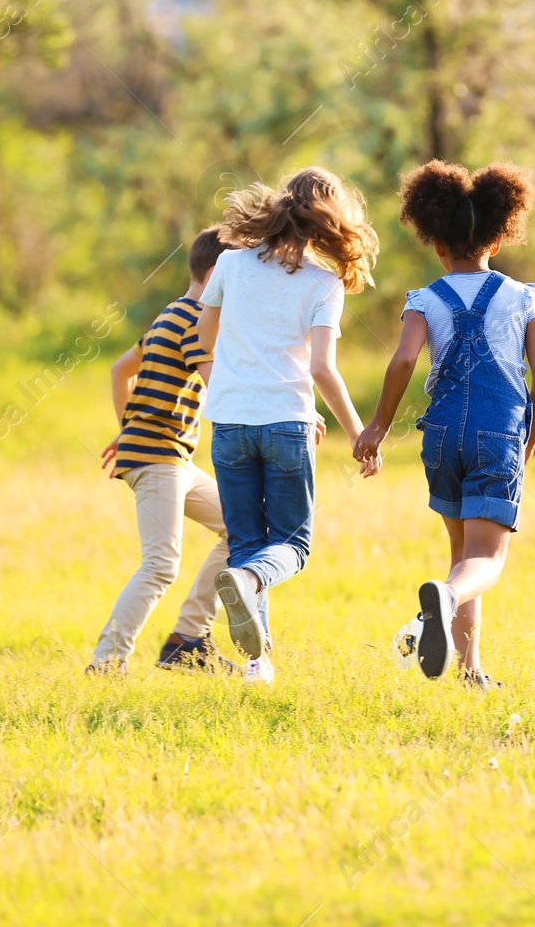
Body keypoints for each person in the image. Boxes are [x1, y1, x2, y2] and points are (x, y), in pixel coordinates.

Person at [354, 160, 535, 691]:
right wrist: (529, 440)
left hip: (441, 437)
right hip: (497, 433)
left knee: (461, 555)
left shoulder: (425, 300)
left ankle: (471, 671)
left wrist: (376, 426)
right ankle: (443, 600)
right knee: (486, 559)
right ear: (498, 236)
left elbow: (401, 362)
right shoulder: (522, 298)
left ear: (437, 243)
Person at [197, 166, 382, 684]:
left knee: (247, 541)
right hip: (286, 426)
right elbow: (322, 368)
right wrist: (358, 433)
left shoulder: (230, 265)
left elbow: (202, 342)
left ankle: (258, 662)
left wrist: (234, 378)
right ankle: (250, 586)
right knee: (292, 547)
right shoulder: (324, 284)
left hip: (230, 423)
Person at [89, 227, 237, 676]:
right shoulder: (198, 321)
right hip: (160, 458)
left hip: (171, 458)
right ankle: (106, 663)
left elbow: (121, 371)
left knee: (243, 526)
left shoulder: (168, 314)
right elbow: (223, 391)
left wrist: (129, 426)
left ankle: (188, 641)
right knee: (159, 566)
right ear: (215, 277)